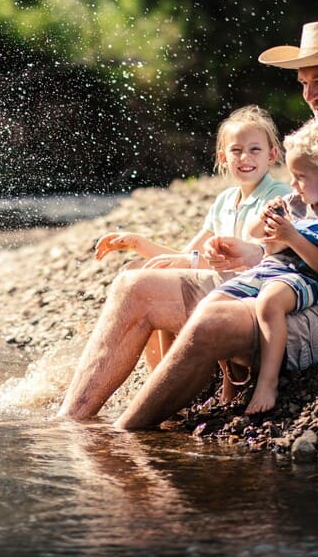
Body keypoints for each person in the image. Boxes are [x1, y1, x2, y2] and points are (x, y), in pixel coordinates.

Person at [58, 20, 318, 430]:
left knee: (212, 320)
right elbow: (305, 223)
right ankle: (72, 427)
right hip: (293, 278)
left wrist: (293, 233)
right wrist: (258, 250)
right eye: (303, 83)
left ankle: (122, 437)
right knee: (134, 284)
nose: (309, 95)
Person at [92, 106, 291, 385]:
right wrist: (138, 243)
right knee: (135, 269)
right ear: (223, 157)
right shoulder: (225, 200)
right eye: (236, 151)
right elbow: (186, 256)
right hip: (215, 280)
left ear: (272, 155)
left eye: (255, 149)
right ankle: (157, 376)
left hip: (248, 289)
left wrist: (186, 263)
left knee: (150, 286)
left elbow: (252, 258)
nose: (245, 157)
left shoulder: (278, 195)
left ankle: (166, 382)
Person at [202, 118, 318, 414]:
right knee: (215, 301)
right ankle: (230, 382)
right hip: (273, 267)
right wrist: (264, 218)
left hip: (309, 278)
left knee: (270, 301)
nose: (292, 184)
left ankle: (267, 381)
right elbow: (254, 233)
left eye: (299, 176)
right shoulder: (295, 202)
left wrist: (292, 237)